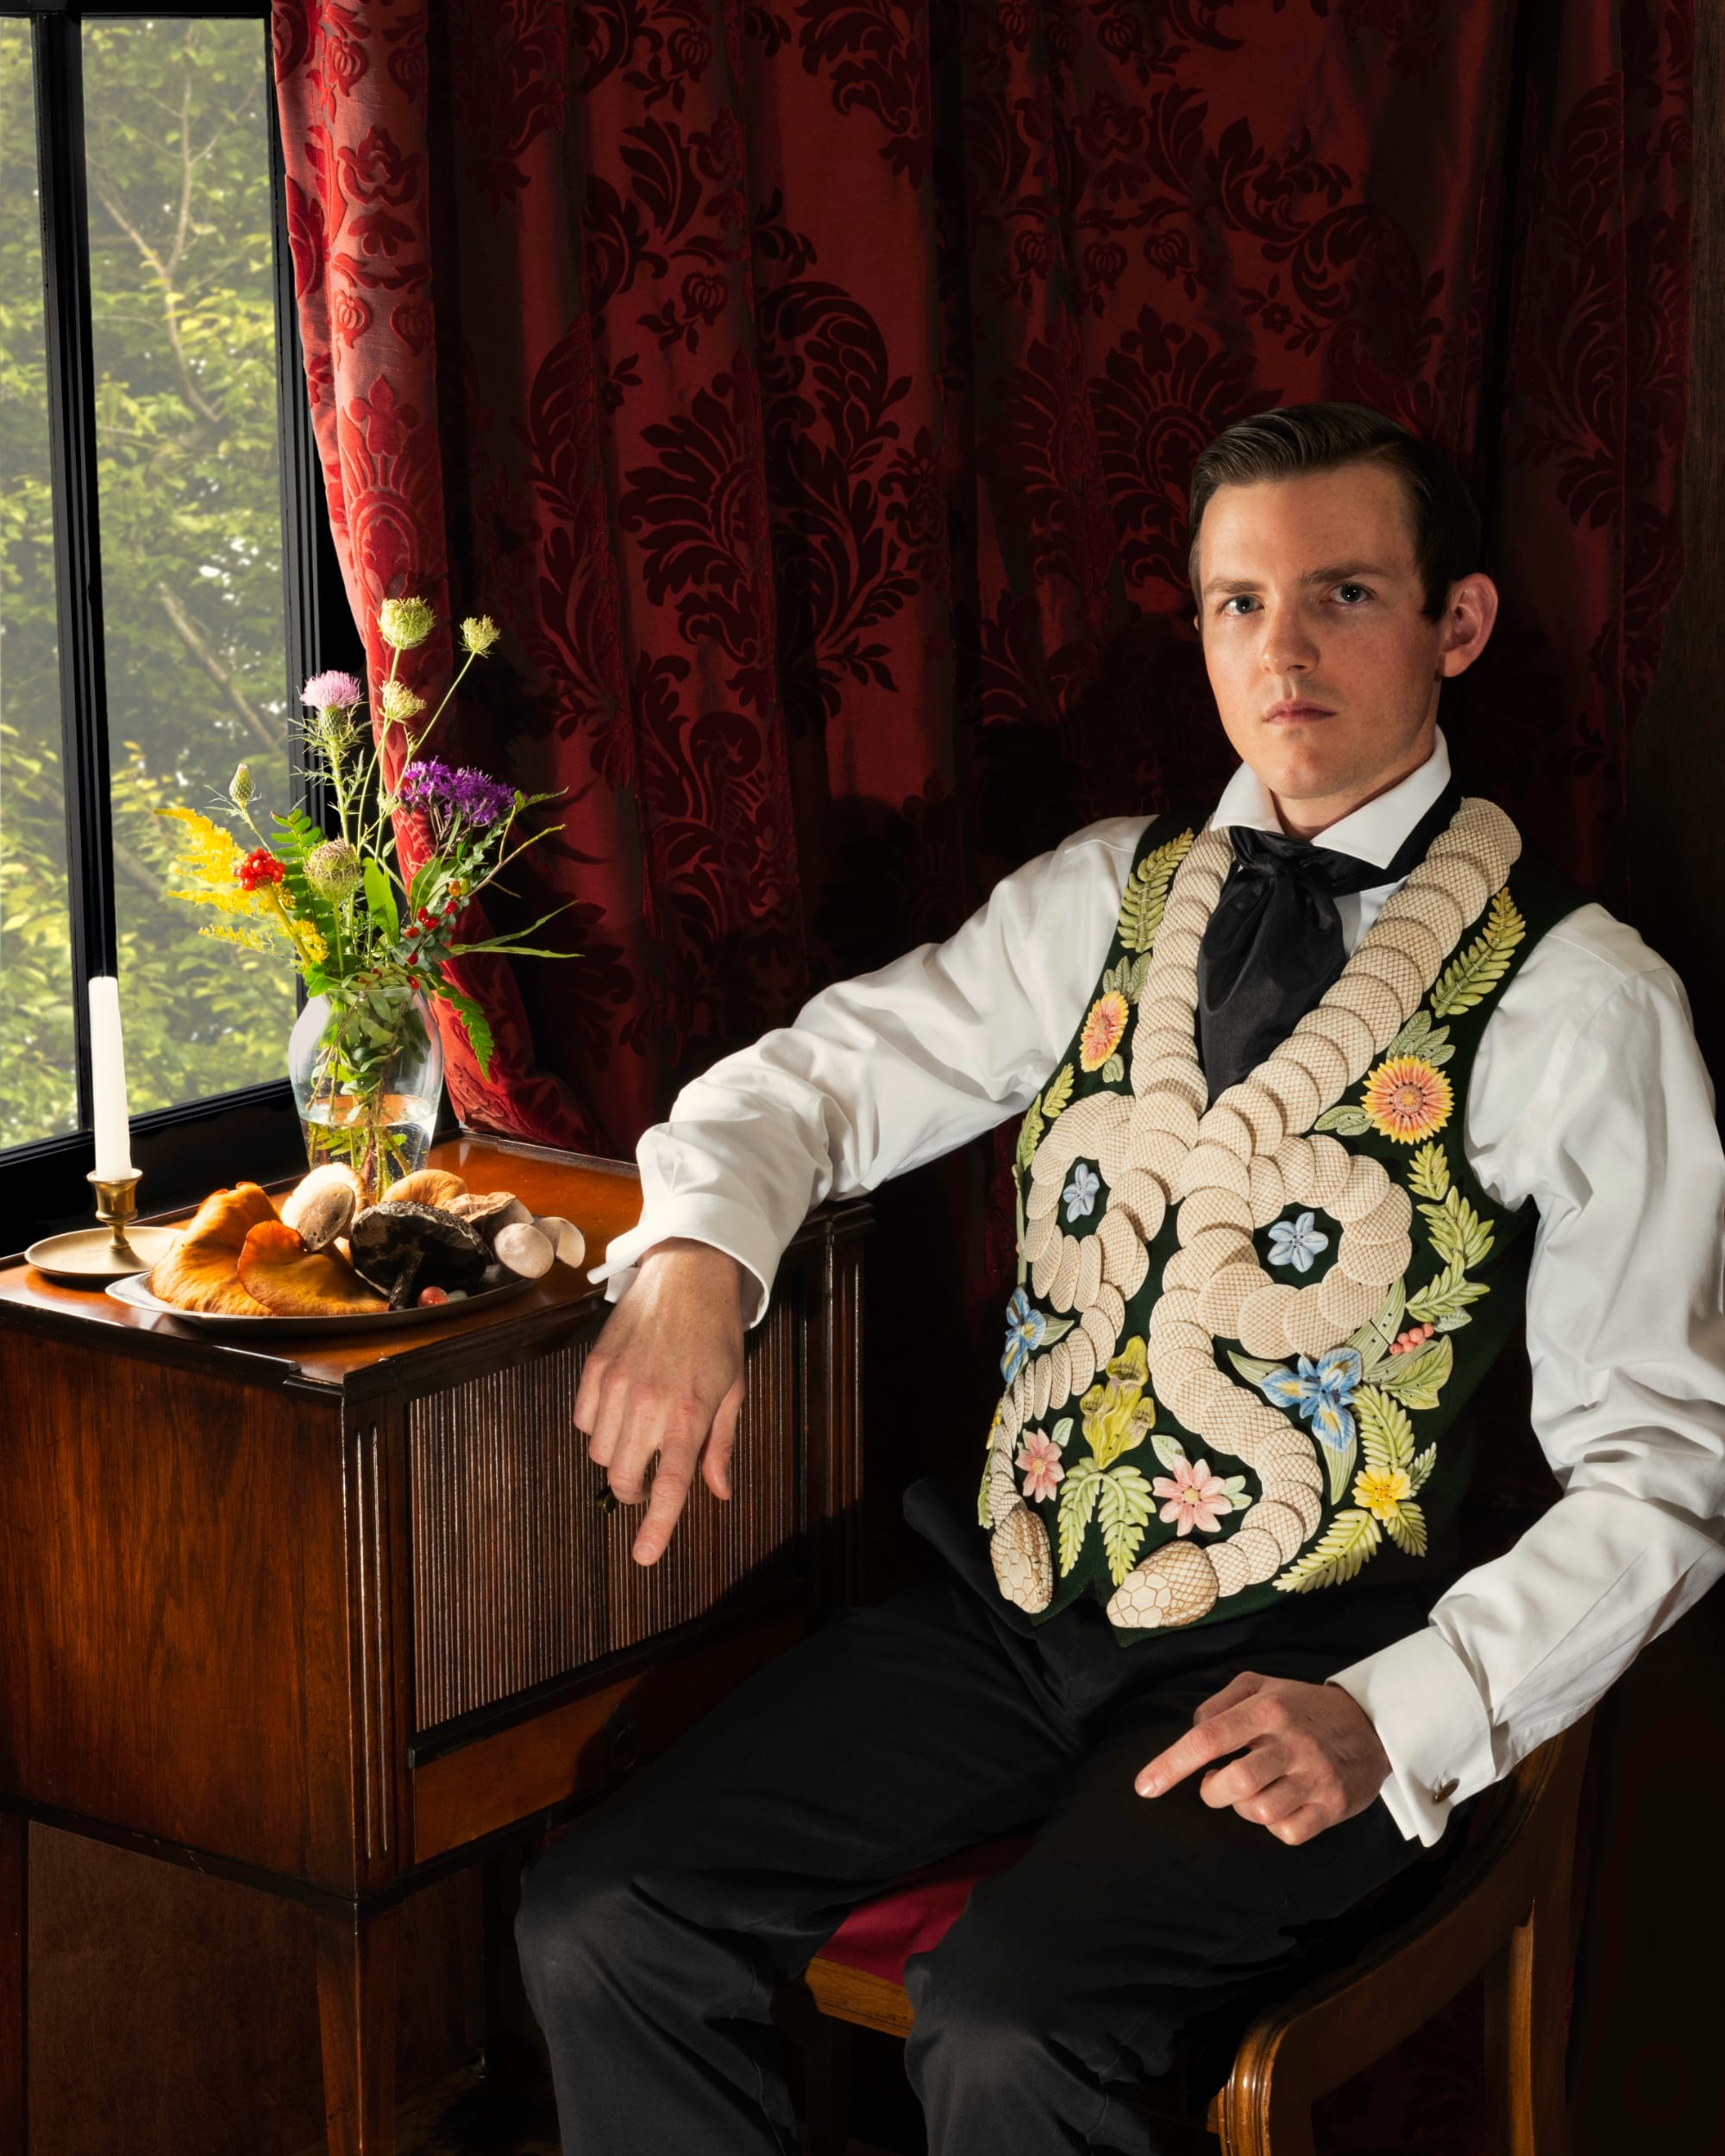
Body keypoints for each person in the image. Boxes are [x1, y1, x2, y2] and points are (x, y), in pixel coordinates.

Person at [513, 403, 1725, 2154]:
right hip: (1010, 1614)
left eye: (1342, 594)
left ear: (1455, 623)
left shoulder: (1581, 1000)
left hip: (1315, 1662)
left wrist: (1397, 1713)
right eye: (1238, 602)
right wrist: (701, 1247)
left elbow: (1670, 1466)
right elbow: (819, 1080)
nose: (1281, 650)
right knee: (599, 1912)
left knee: (1011, 2022)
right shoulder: (1101, 893)